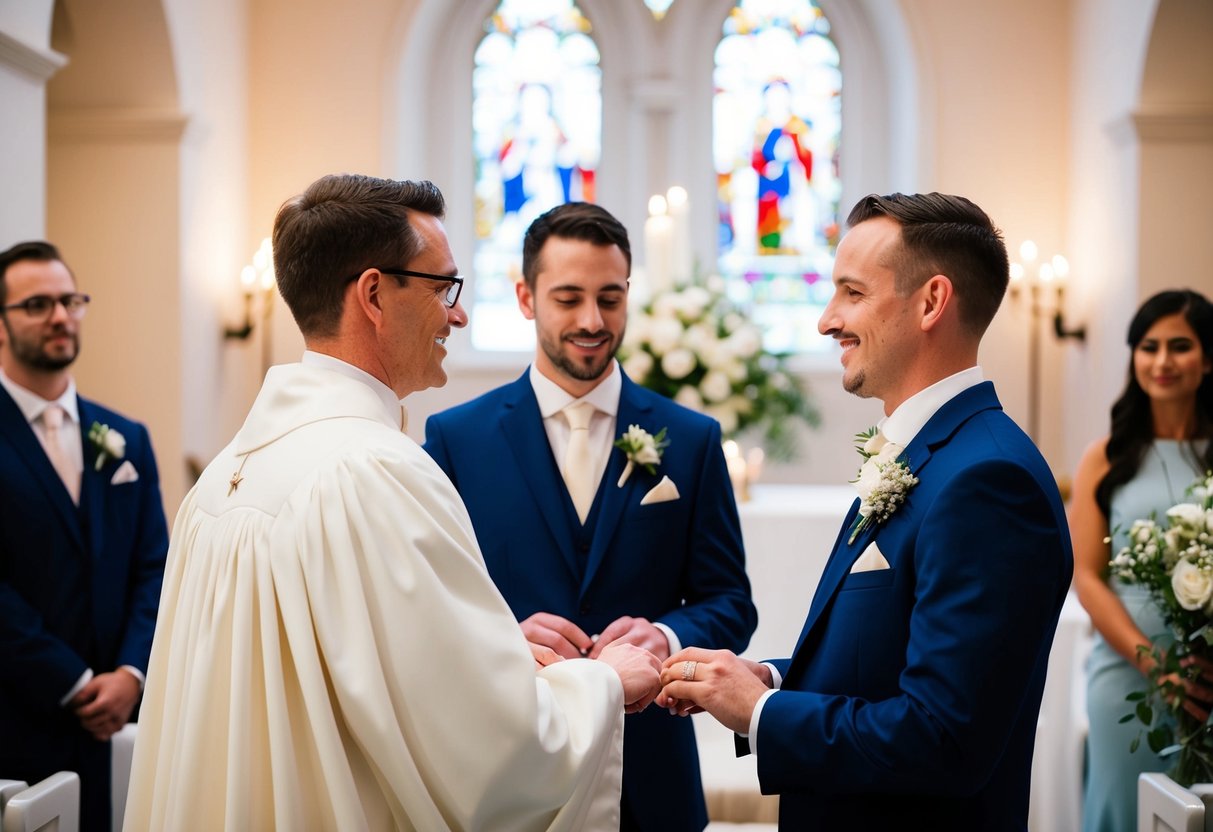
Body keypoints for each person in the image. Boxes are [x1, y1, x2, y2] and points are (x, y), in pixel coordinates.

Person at [124, 175, 663, 831]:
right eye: (443, 289)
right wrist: (604, 682)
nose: (458, 316)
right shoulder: (373, 472)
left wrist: (491, 652)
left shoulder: (220, 478)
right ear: (374, 294)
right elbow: (489, 750)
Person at [656, 192, 1073, 830]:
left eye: (852, 293)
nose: (828, 321)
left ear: (931, 302)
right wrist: (763, 680)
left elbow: (942, 739)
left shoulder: (989, 481)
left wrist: (761, 713)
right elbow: (880, 669)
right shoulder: (930, 454)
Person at [424, 200, 757, 831]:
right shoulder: (456, 441)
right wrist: (505, 637)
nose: (592, 321)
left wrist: (666, 636)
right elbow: (427, 606)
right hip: (509, 765)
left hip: (652, 775)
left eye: (610, 298)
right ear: (526, 298)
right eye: (568, 298)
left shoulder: (692, 439)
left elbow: (731, 602)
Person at [0, 241, 169, 832]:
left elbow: (155, 566)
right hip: (17, 720)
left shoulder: (127, 437)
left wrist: (131, 674)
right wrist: (71, 682)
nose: (60, 316)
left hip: (117, 726)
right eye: (37, 304)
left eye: (70, 301)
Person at [1072, 289, 1213, 832]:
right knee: (1121, 811)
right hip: (1126, 677)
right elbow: (1087, 576)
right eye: (1149, 346)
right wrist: (1158, 667)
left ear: (1208, 359)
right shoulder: (1106, 457)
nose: (1162, 361)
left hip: (1209, 678)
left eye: (1181, 346)